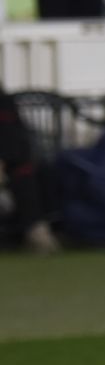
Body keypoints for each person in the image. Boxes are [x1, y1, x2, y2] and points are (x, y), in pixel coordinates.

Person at [0, 86, 59, 255]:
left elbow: (13, 141)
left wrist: (3, 161)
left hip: (14, 166)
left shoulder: (4, 103)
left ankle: (37, 233)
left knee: (27, 176)